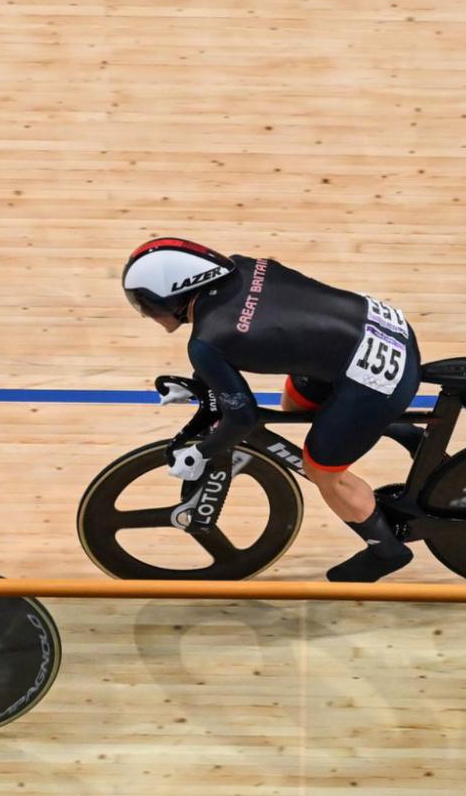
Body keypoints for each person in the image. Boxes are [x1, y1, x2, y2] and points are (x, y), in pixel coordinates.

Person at [122, 237, 424, 582]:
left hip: (377, 380)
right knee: (295, 404)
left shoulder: (206, 341)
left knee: (321, 470)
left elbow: (242, 418)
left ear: (173, 294)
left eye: (146, 304)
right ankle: (403, 430)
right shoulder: (245, 264)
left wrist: (203, 452)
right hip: (387, 331)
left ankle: (387, 550)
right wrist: (204, 380)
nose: (147, 313)